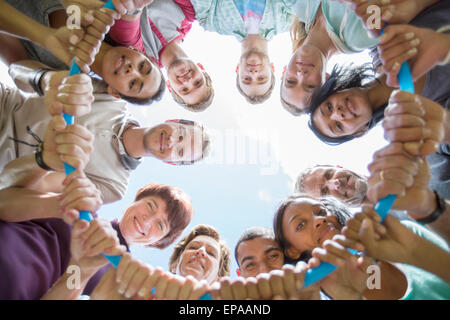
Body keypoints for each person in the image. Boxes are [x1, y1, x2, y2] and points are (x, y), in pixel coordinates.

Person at [0, 70, 211, 205]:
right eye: (181, 134)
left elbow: (34, 188)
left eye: (180, 151)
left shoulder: (114, 186)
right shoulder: (113, 97)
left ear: (172, 163)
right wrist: (44, 78)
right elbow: (17, 69)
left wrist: (43, 159)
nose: (173, 141)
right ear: (173, 120)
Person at [0, 171, 194, 299]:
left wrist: (79, 268)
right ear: (134, 202)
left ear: (156, 242)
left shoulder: (120, 278)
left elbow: (72, 281)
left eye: (160, 225)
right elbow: (4, 199)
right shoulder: (78, 200)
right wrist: (59, 206)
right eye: (150, 206)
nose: (148, 219)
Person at [273, 193, 450, 299]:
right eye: (300, 225)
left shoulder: (402, 234)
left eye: (321, 211)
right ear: (292, 251)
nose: (320, 220)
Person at [1, 0, 166, 105]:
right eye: (143, 65)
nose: (132, 70)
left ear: (114, 92)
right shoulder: (103, 9)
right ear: (136, 50)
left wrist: (45, 38)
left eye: (133, 84)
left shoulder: (59, 72)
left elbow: (16, 68)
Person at [106, 0, 214, 111]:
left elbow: (126, 30)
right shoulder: (189, 14)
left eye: (184, 90)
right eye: (197, 82)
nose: (187, 81)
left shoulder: (142, 60)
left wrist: (132, 8)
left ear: (169, 87)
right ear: (201, 67)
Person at [280, 0, 382, 115]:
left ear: (284, 71)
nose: (301, 75)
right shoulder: (361, 37)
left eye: (291, 81)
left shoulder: (296, 6)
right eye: (310, 86)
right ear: (326, 80)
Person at [188, 0, 295, 104]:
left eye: (246, 79)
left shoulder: (212, 21)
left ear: (238, 69)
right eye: (261, 78)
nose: (253, 73)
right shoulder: (288, 19)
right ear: (272, 68)